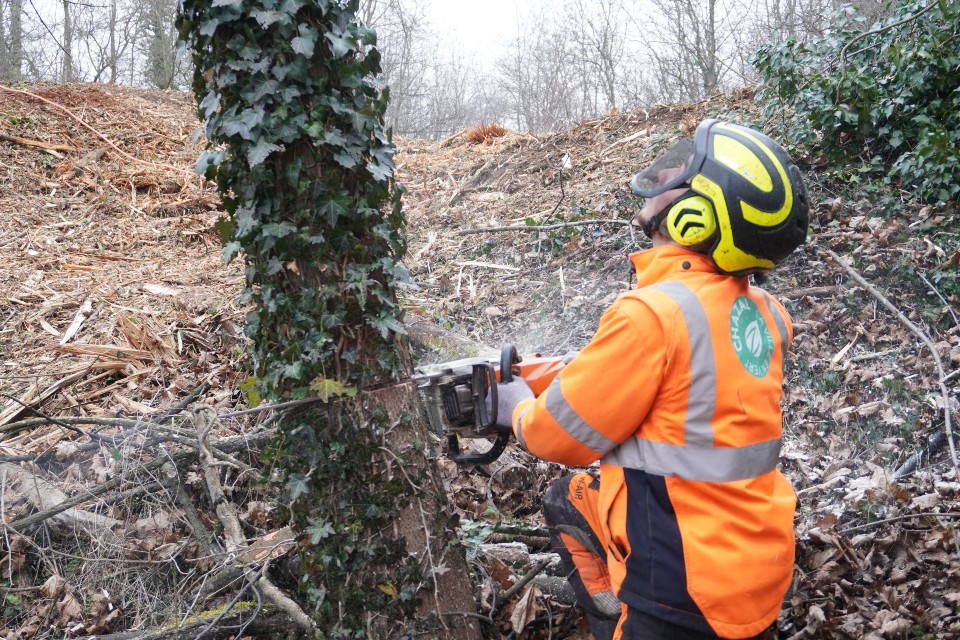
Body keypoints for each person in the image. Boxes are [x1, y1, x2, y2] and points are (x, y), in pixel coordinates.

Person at [493, 119, 809, 640]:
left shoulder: (652, 314)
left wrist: (515, 407)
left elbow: (559, 436)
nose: (661, 177)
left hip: (682, 589)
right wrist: (548, 370)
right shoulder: (765, 313)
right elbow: (681, 380)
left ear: (697, 216)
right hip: (755, 565)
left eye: (680, 176)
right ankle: (611, 609)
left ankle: (624, 616)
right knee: (568, 497)